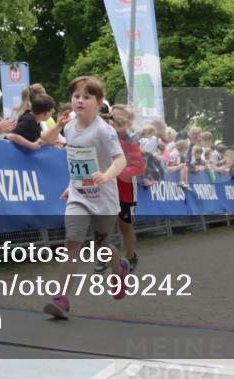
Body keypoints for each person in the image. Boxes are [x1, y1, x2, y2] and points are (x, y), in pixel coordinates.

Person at [43, 76, 129, 320]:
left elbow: (120, 159)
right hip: (79, 196)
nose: (79, 101)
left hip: (104, 198)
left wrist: (107, 175)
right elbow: (47, 141)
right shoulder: (69, 125)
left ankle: (118, 267)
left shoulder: (104, 131)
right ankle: (61, 298)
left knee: (101, 247)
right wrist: (58, 126)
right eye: (76, 96)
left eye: (86, 97)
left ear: (99, 102)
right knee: (72, 242)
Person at [96, 104, 146, 274]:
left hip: (125, 189)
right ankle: (104, 257)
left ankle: (131, 256)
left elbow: (139, 167)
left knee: (125, 226)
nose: (114, 121)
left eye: (120, 119)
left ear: (128, 123)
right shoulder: (103, 137)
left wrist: (119, 171)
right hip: (106, 187)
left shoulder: (130, 143)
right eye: (112, 117)